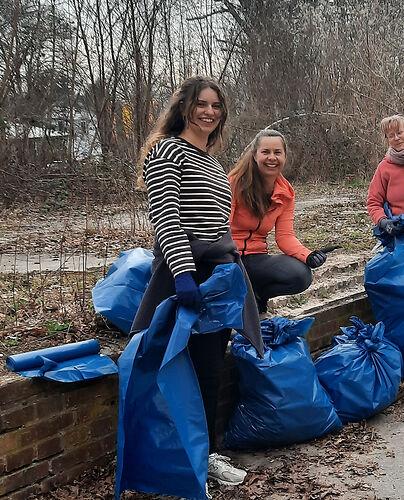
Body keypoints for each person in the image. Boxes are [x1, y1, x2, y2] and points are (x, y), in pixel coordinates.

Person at [131, 76, 260, 493]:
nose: (209, 112)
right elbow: (168, 218)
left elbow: (216, 221)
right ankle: (174, 458)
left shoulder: (211, 160)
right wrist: (184, 274)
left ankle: (205, 454)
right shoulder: (167, 150)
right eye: (202, 104)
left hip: (218, 274)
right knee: (168, 365)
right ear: (184, 107)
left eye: (216, 106)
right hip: (184, 273)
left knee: (208, 365)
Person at [229, 128, 328, 313]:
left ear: (285, 156)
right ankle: (242, 304)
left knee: (300, 275)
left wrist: (308, 255)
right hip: (228, 257)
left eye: (277, 152)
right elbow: (222, 229)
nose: (271, 158)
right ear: (254, 155)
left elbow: (285, 236)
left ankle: (257, 295)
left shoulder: (286, 193)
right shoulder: (234, 184)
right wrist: (226, 261)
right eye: (265, 152)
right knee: (231, 277)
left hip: (255, 258)